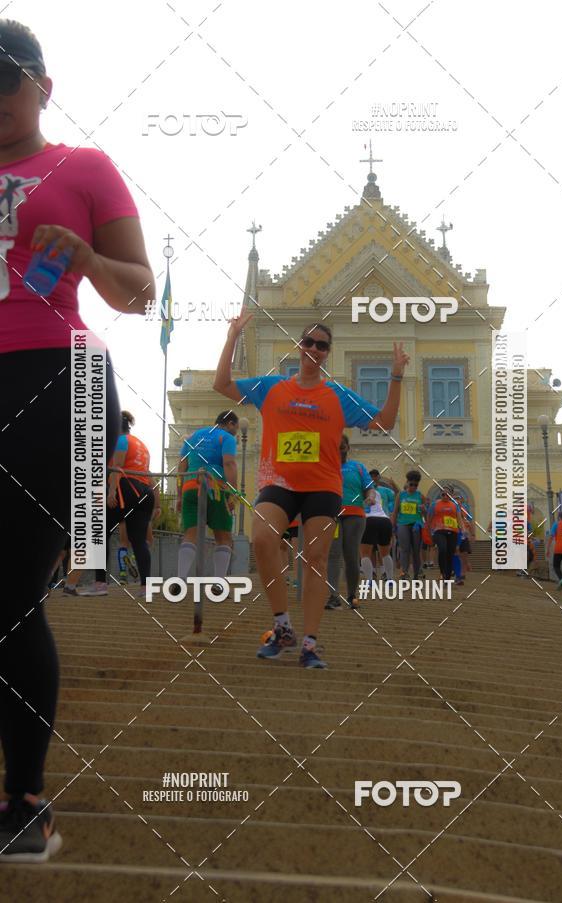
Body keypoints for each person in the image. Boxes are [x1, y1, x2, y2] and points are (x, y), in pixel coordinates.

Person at [0, 20, 154, 862]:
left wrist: (88, 255)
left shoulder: (82, 167)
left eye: (5, 78)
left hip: (53, 380)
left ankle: (25, 799)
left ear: (42, 86)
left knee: (13, 588)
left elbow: (139, 292)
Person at [214, 313, 409, 668]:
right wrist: (232, 337)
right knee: (261, 540)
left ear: (327, 353)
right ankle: (283, 627)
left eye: (322, 345)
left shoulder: (337, 395)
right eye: (309, 342)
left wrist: (396, 375)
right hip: (279, 483)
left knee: (316, 560)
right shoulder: (272, 388)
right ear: (299, 346)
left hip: (322, 486)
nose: (314, 349)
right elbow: (223, 384)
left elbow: (385, 421)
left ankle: (309, 643)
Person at [80, 411, 159, 598]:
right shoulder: (140, 444)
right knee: (139, 540)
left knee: (100, 533)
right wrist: (156, 504)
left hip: (126, 489)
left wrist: (112, 491)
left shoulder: (120, 441)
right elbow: (148, 474)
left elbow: (117, 468)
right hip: (144, 492)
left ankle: (100, 584)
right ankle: (146, 587)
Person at [176, 411, 239, 594]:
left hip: (190, 486)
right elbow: (229, 464)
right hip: (215, 488)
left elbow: (182, 466)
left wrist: (180, 495)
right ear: (229, 423)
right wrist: (232, 492)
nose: (235, 432)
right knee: (223, 537)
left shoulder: (195, 436)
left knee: (191, 534)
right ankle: (218, 584)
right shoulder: (226, 437)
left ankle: (180, 580)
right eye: (235, 427)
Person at [326, 435, 375, 610]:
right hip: (333, 515)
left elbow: (369, 488)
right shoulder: (326, 467)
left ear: (348, 448)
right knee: (333, 554)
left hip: (354, 515)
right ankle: (333, 596)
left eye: (342, 447)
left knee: (351, 555)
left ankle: (352, 595)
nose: (340, 450)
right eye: (336, 447)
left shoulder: (358, 467)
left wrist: (370, 497)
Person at [360, 487, 395, 590]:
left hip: (369, 520)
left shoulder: (359, 492)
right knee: (385, 554)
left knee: (365, 554)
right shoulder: (376, 492)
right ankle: (389, 580)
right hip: (384, 520)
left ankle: (370, 581)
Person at [393, 470, 425, 579]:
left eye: (416, 485)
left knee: (416, 551)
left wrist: (424, 509)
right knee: (404, 549)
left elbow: (425, 513)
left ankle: (416, 574)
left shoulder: (420, 496)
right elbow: (395, 511)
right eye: (411, 484)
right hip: (402, 524)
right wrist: (393, 525)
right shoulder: (401, 495)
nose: (413, 487)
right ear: (407, 483)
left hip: (416, 525)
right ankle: (404, 572)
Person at [428, 485, 464, 580]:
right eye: (443, 494)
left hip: (453, 531)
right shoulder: (434, 504)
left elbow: (459, 519)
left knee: (450, 553)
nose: (445, 496)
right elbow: (429, 519)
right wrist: (428, 531)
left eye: (447, 494)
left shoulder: (454, 505)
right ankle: (442, 572)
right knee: (443, 549)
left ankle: (447, 577)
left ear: (451, 495)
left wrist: (463, 530)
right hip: (439, 531)